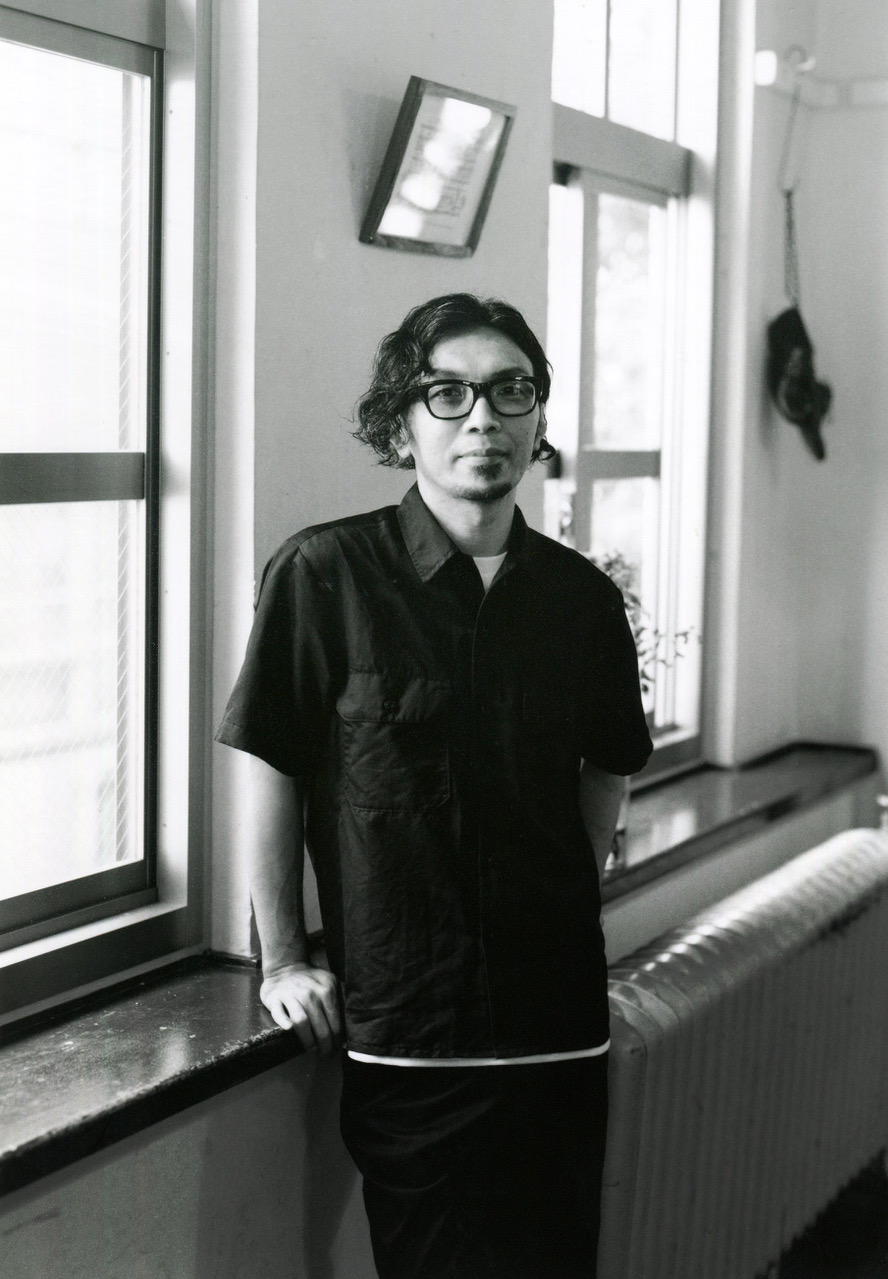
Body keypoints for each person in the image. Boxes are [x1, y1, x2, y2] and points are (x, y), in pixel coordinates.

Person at [216, 292, 652, 1278]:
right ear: (400, 423)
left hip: (559, 1031)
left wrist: (563, 896)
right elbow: (272, 768)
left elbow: (609, 765)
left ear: (537, 416)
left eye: (510, 391)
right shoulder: (324, 574)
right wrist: (282, 961)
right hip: (412, 1037)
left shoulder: (583, 601)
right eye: (448, 394)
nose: (482, 419)